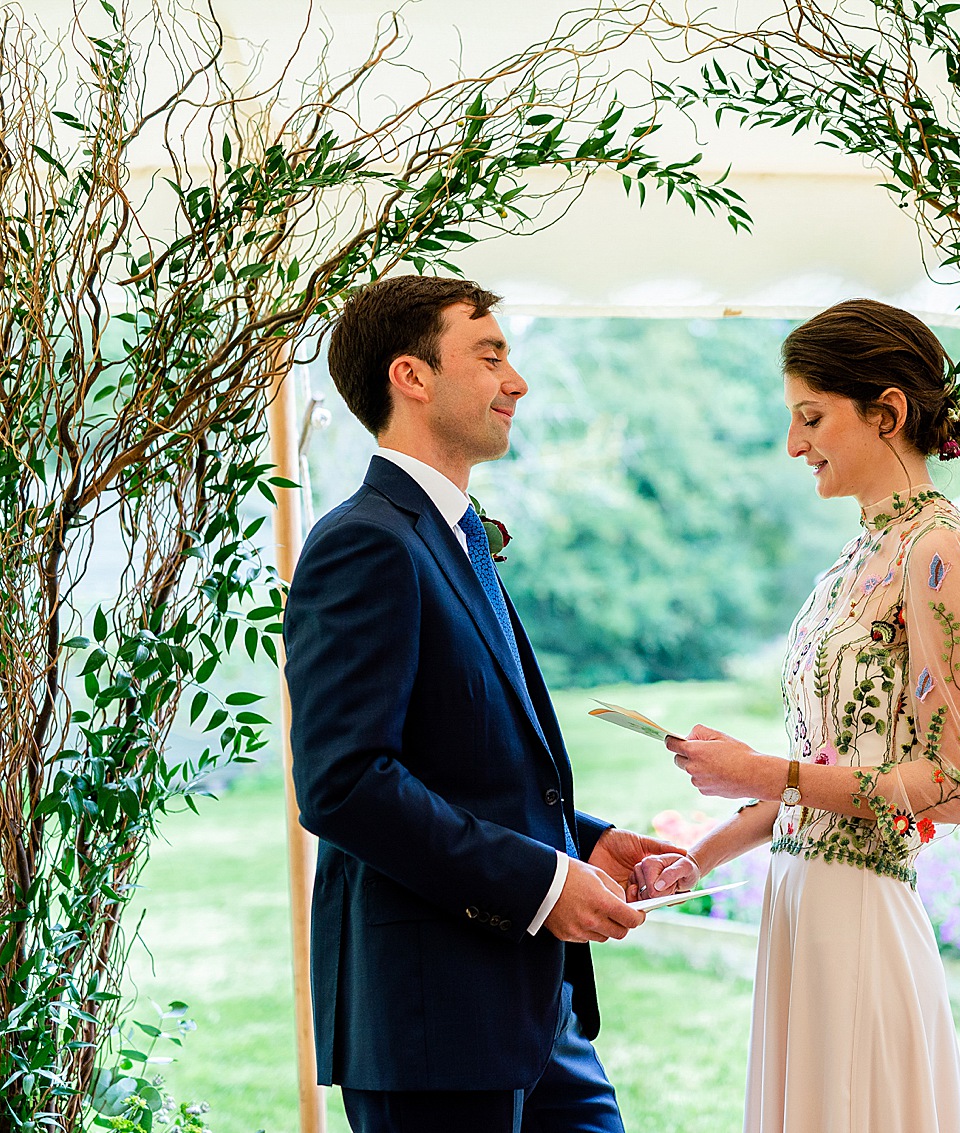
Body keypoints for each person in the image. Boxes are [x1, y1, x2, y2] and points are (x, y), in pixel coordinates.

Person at [283, 275, 683, 1133]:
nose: (518, 380)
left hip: (540, 1014)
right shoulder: (363, 542)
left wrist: (588, 842)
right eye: (490, 354)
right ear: (411, 377)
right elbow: (344, 782)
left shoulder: (457, 537)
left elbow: (466, 762)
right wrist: (544, 883)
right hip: (432, 1023)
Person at [635, 299, 960, 1133]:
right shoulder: (855, 558)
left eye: (811, 417)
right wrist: (701, 852)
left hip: (862, 917)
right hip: (801, 907)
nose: (795, 444)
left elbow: (953, 784)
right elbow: (836, 760)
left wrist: (757, 771)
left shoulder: (940, 550)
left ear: (888, 411)